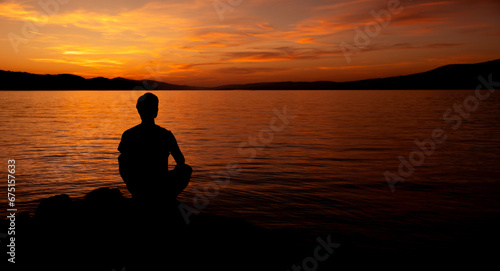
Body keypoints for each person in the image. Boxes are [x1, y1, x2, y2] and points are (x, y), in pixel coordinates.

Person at [118, 93, 192, 204]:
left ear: (139, 111)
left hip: (139, 185)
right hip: (161, 185)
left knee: (122, 158)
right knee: (186, 169)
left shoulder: (129, 134)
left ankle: (138, 194)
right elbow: (181, 161)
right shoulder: (166, 135)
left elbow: (124, 161)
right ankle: (166, 196)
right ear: (156, 111)